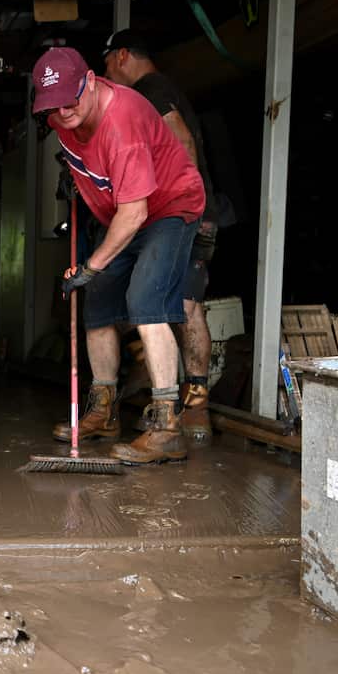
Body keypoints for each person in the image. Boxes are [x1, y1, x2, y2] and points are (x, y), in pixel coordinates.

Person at [32, 46, 205, 464]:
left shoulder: (122, 120)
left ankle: (167, 428)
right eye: (53, 106)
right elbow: (90, 166)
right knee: (99, 304)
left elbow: (135, 212)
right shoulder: (62, 116)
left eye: (71, 101)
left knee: (145, 301)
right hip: (124, 214)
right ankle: (103, 412)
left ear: (91, 81)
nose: (64, 113)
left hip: (168, 208)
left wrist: (91, 266)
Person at [103, 29, 220, 444]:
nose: (108, 76)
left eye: (106, 66)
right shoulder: (162, 88)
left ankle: (189, 411)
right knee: (176, 302)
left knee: (182, 306)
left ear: (121, 57)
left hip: (184, 213)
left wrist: (179, 206)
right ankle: (190, 408)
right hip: (189, 210)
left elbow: (182, 141)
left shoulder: (150, 90)